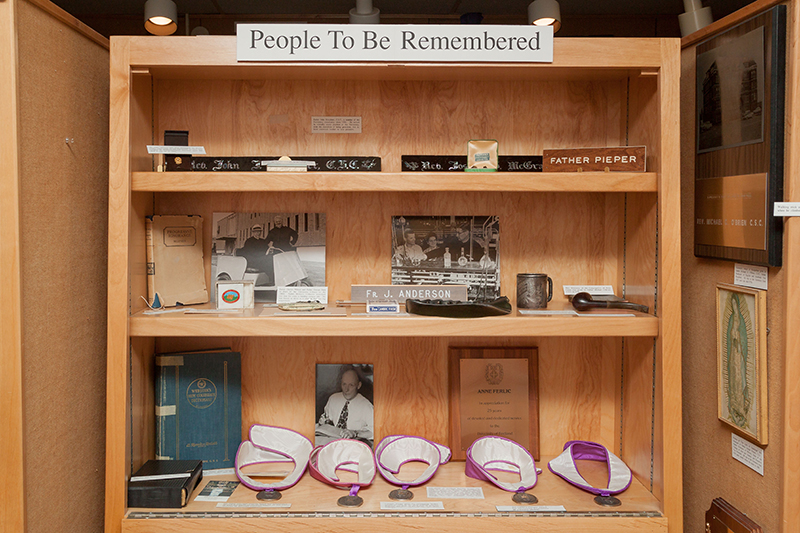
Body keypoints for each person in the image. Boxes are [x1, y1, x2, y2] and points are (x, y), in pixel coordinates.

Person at [315, 366, 374, 446]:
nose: (346, 389)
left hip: (352, 445)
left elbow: (374, 432)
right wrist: (323, 422)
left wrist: (355, 433)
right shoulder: (333, 399)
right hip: (331, 442)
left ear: (358, 385)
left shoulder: (366, 406)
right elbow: (326, 417)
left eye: (351, 385)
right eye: (344, 384)